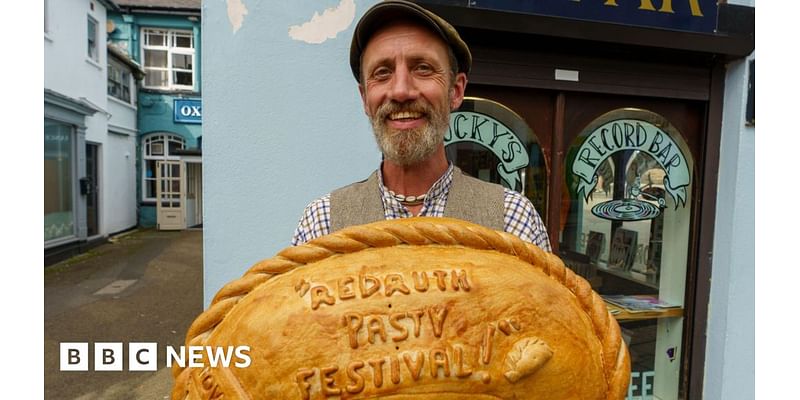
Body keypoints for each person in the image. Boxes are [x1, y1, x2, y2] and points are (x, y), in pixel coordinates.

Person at [291, 0, 551, 252]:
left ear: (456, 91)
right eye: (382, 72)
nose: (401, 91)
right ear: (365, 99)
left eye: (423, 68)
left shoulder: (513, 220)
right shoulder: (322, 223)